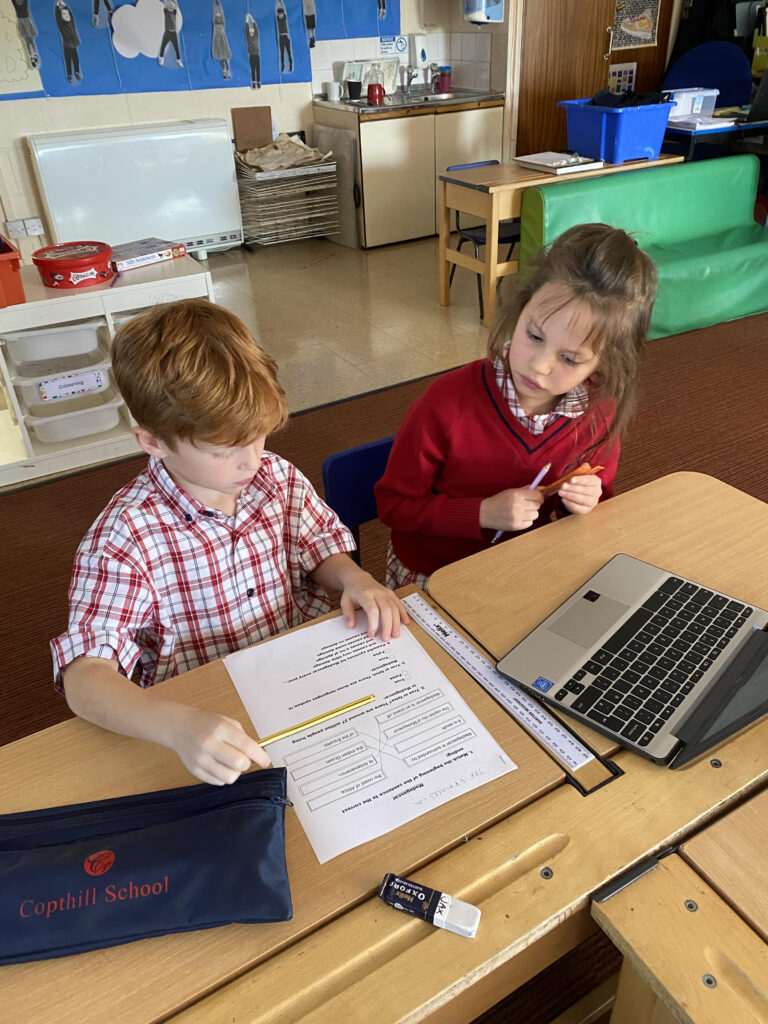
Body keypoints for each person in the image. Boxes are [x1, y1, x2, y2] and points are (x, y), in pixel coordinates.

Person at [52, 299, 408, 786]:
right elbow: (84, 678)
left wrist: (354, 576)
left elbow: (317, 544)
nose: (251, 462)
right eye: (224, 451)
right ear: (152, 441)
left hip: (298, 676)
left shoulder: (274, 475)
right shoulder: (125, 536)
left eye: (259, 437)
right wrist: (175, 725)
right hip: (202, 718)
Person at [375, 223, 658, 589]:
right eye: (534, 336)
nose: (539, 365)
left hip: (521, 568)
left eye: (570, 359)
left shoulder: (598, 415)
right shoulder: (445, 404)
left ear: (604, 364)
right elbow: (394, 505)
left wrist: (588, 501)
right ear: (520, 310)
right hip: (433, 573)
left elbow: (598, 496)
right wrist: (482, 513)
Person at [211, 0, 232, 80]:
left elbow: (222, 14)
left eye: (219, 17)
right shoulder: (215, 24)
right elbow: (214, 15)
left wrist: (218, 6)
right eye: (217, 17)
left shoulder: (222, 24)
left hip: (223, 41)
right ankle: (224, 72)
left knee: (225, 58)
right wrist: (215, 6)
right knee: (221, 59)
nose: (218, 19)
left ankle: (228, 71)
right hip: (217, 41)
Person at [244, 13, 260, 88]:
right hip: (251, 55)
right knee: (253, 69)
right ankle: (254, 83)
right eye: (250, 32)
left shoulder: (256, 36)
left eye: (252, 31)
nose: (251, 32)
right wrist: (247, 19)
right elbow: (246, 29)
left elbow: (255, 27)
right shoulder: (248, 38)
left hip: (257, 55)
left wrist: (251, 18)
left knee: (258, 69)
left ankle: (258, 82)